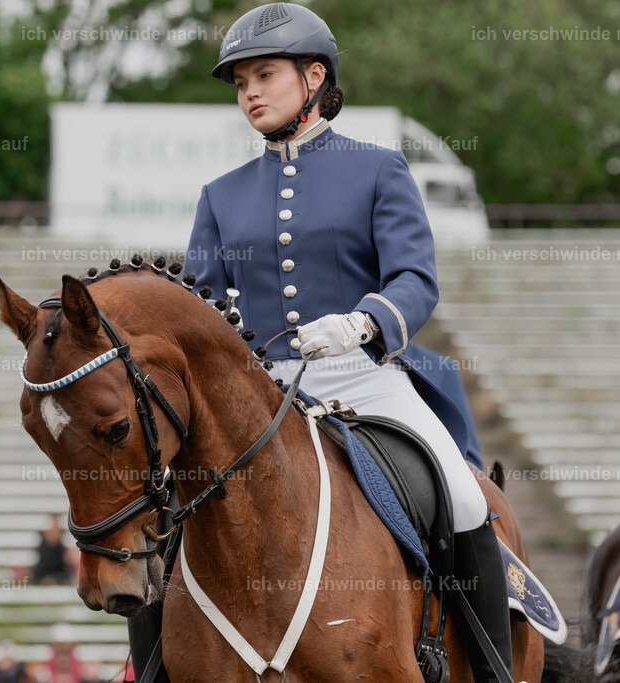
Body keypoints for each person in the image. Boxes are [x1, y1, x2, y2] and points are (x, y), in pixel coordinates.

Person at [181, 4, 511, 680]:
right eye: (240, 81)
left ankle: (492, 662)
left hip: (363, 374)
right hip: (262, 389)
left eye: (263, 75)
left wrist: (362, 323)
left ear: (313, 75)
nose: (249, 92)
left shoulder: (378, 169)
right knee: (168, 508)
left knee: (468, 497)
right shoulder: (221, 195)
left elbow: (416, 279)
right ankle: (150, 662)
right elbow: (198, 306)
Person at [31, 515, 71, 586]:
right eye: (51, 531)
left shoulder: (63, 550)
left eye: (56, 530)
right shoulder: (41, 549)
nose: (53, 533)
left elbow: (64, 571)